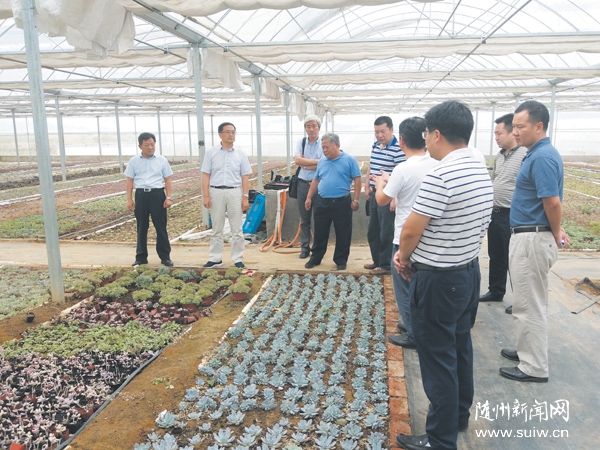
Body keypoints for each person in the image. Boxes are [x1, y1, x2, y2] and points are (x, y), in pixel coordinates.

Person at [394, 101, 493, 450]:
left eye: (426, 134)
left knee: (437, 359)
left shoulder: (441, 175)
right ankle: (458, 415)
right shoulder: (479, 168)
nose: (425, 140)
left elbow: (411, 230)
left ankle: (439, 439)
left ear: (436, 135)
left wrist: (404, 258)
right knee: (459, 348)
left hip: (438, 280)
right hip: (467, 273)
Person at [499, 100, 569, 383]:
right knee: (526, 301)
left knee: (530, 305)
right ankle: (526, 350)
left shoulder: (541, 157)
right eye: (514, 126)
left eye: (520, 126)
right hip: (529, 235)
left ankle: (534, 367)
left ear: (539, 126)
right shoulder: (537, 153)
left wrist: (556, 230)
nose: (515, 132)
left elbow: (552, 202)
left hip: (532, 239)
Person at [374, 117, 439, 349]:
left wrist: (380, 183)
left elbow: (382, 200)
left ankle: (413, 333)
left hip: (405, 236)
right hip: (430, 236)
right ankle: (419, 325)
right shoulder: (436, 163)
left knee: (404, 287)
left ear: (401, 140)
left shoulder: (403, 168)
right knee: (421, 286)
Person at [479, 114, 526, 310]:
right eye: (495, 134)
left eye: (499, 133)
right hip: (495, 213)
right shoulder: (499, 156)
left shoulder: (524, 154)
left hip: (512, 214)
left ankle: (521, 301)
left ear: (512, 132)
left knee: (514, 258)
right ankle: (496, 291)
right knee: (496, 254)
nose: (496, 138)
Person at [304, 133, 361, 271]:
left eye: (327, 147)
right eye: (323, 147)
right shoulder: (322, 161)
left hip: (342, 202)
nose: (324, 150)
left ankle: (341, 260)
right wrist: (309, 197)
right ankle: (316, 258)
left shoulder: (349, 160)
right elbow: (316, 180)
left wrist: (356, 200)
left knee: (343, 233)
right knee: (320, 232)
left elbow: (357, 179)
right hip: (322, 203)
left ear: (336, 145)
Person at [201, 122, 252, 269]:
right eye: (228, 132)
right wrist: (206, 196)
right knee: (217, 227)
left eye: (233, 132)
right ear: (220, 134)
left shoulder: (240, 153)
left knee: (237, 228)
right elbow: (206, 175)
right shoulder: (211, 153)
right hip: (216, 191)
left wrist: (245, 196)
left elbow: (245, 177)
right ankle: (215, 258)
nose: (231, 135)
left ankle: (237, 258)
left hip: (234, 191)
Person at [364, 116, 406, 275]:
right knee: (373, 230)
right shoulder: (375, 145)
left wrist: (394, 198)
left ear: (391, 129)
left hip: (388, 195)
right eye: (376, 132)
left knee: (386, 231)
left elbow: (400, 174)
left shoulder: (398, 149)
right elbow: (371, 166)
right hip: (376, 192)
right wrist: (367, 185)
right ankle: (377, 260)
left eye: (382, 131)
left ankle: (386, 265)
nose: (379, 135)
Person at [125, 132, 174, 267]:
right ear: (140, 146)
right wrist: (129, 199)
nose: (150, 147)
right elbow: (129, 180)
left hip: (157, 195)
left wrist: (168, 197)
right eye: (147, 145)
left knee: (161, 227)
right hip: (141, 195)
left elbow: (168, 180)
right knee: (142, 227)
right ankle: (141, 257)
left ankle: (165, 257)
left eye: (152, 144)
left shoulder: (162, 160)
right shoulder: (134, 161)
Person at [293, 115, 324, 259]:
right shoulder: (302, 142)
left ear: (319, 128)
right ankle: (304, 247)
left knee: (319, 218)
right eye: (308, 126)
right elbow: (297, 160)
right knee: (304, 219)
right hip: (302, 184)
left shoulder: (323, 143)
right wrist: (315, 162)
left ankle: (317, 248)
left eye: (314, 126)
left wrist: (305, 163)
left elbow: (324, 164)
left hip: (318, 185)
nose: (311, 129)